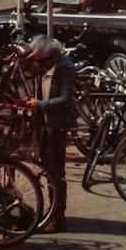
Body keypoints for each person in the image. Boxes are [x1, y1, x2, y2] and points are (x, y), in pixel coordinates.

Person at [26, 39, 79, 232]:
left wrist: (40, 105)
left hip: (56, 126)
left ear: (50, 56)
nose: (38, 64)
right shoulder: (45, 66)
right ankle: (52, 209)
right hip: (45, 124)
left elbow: (65, 99)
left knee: (56, 171)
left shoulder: (64, 69)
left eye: (41, 60)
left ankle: (58, 216)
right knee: (48, 168)